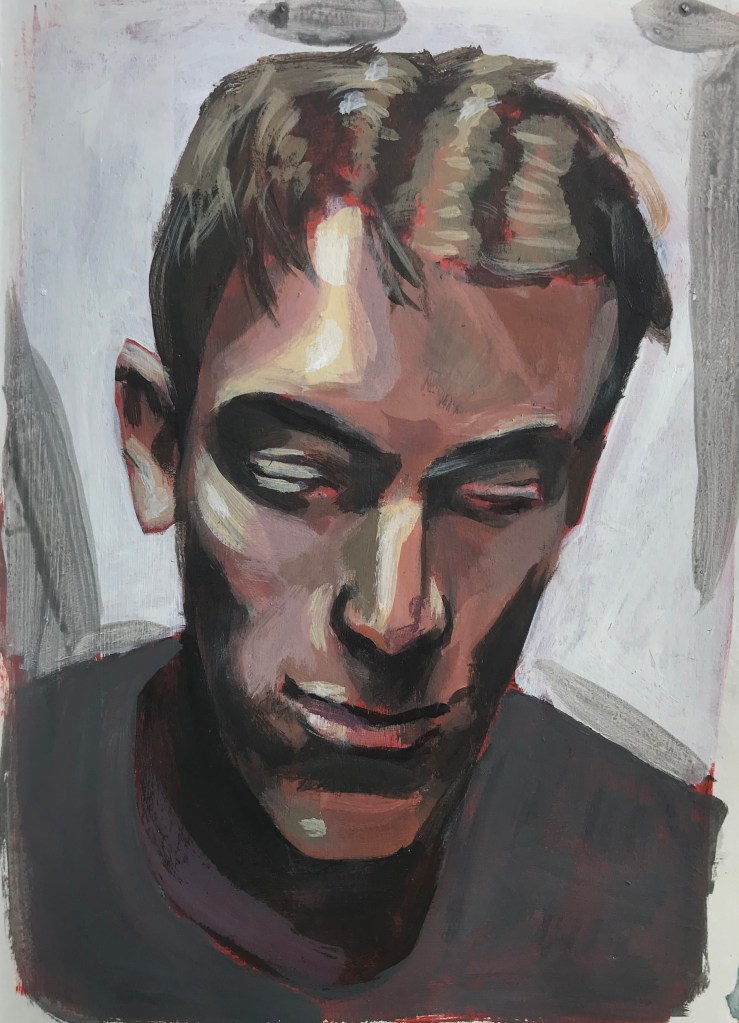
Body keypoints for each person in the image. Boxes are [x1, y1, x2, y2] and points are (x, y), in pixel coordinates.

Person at [3, 44, 724, 1023]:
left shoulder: (668, 897)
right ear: (157, 446)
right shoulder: (22, 819)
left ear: (575, 492)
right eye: (300, 477)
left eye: (496, 495)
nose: (394, 616)